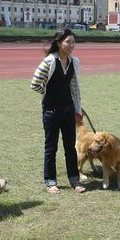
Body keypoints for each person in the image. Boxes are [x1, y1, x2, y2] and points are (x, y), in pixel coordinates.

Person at [31, 29, 86, 194]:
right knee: (51, 148)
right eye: (68, 42)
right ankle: (50, 181)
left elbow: (74, 88)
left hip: (68, 111)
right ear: (58, 42)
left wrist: (77, 109)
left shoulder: (73, 62)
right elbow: (34, 84)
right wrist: (49, 93)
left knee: (70, 147)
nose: (71, 45)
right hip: (51, 112)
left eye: (73, 42)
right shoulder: (49, 61)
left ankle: (74, 180)